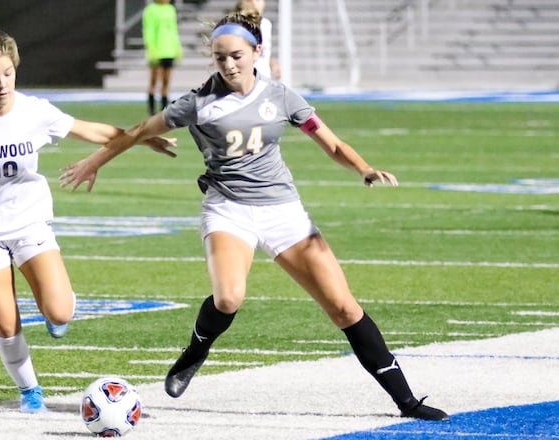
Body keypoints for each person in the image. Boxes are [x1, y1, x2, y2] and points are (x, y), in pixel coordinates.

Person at [59, 11, 449, 421]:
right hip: (228, 209)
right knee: (228, 297)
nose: (228, 64)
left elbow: (330, 142)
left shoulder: (280, 96)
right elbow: (137, 129)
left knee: (344, 309)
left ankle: (407, 402)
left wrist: (364, 168)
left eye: (236, 55)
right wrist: (96, 161)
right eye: (219, 56)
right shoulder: (198, 102)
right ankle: (196, 351)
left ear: (257, 51)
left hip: (283, 211)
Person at [0, 23, 175, 414]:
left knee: (59, 312)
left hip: (29, 224)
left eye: (8, 74)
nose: (2, 83)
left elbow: (90, 130)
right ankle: (30, 391)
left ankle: (58, 312)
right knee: (6, 325)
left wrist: (139, 136)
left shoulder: (35, 111)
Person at [143, 0, 183, 115]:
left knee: (166, 82)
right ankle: (151, 111)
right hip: (157, 51)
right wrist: (151, 49)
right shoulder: (150, 10)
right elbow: (148, 30)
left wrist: (177, 48)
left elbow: (174, 30)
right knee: (154, 82)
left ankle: (163, 111)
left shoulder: (171, 9)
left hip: (169, 51)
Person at [235, 0, 281, 80]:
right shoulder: (236, 25)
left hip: (264, 78)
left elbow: (262, 52)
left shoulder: (266, 24)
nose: (254, 3)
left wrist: (272, 64)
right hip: (245, 80)